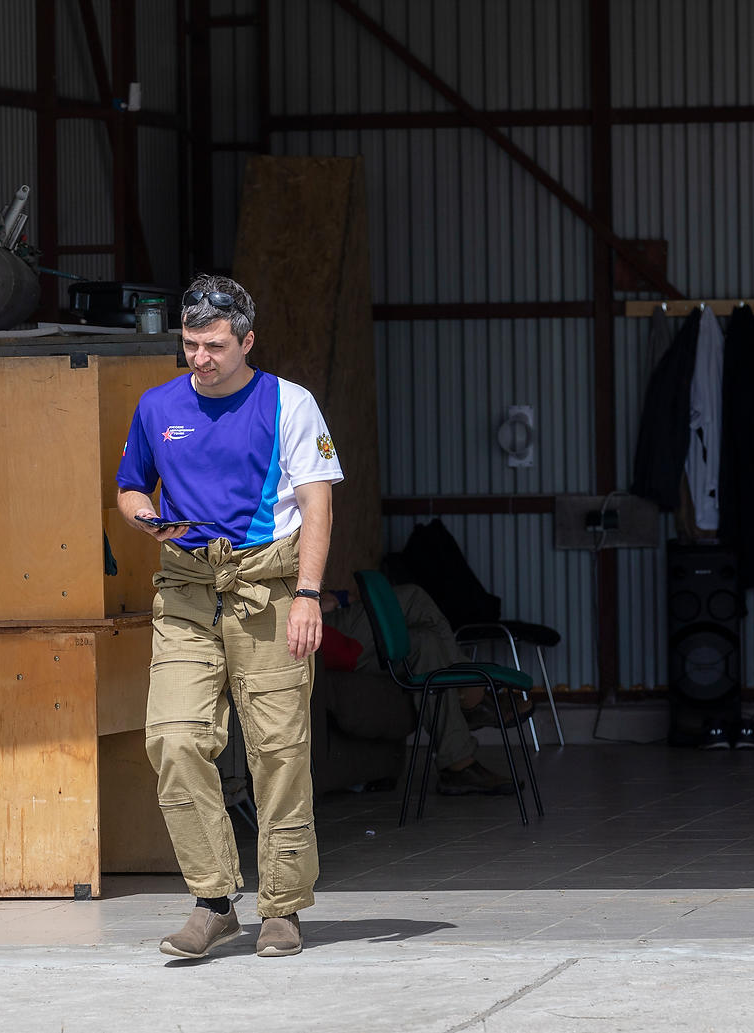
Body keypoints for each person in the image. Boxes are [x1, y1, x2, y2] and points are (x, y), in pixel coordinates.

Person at [116, 274, 342, 960]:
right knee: (173, 738)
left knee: (278, 750)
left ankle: (283, 907)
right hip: (186, 591)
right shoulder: (157, 406)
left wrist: (309, 595)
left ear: (247, 341)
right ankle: (214, 901)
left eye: (214, 345)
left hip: (267, 589)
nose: (200, 358)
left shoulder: (289, 402)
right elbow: (129, 487)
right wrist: (144, 516)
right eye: (190, 344)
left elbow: (317, 503)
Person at [321, 583, 531, 795]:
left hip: (324, 620)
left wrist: (337, 597)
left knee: (426, 641)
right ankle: (471, 694)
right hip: (320, 629)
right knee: (413, 597)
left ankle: (458, 765)